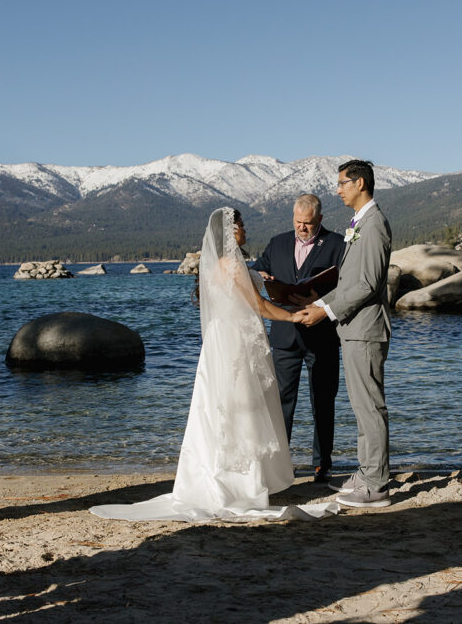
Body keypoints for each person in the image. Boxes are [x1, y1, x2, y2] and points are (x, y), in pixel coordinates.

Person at [90, 208, 338, 521]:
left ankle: (233, 477)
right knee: (239, 407)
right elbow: (257, 305)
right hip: (235, 341)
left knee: (222, 407)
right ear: (230, 231)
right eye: (242, 225)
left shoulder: (225, 263)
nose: (245, 230)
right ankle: (239, 484)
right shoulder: (231, 263)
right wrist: (291, 316)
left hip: (226, 338)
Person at [295, 160, 393, 508]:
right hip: (352, 330)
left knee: (369, 407)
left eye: (342, 184)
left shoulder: (375, 223)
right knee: (360, 406)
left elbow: (365, 285)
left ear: (360, 183)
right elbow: (348, 282)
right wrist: (318, 305)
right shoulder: (359, 222)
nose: (337, 190)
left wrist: (325, 311)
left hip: (365, 329)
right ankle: (367, 473)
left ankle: (377, 484)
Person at [250, 194, 344, 483]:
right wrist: (262, 273)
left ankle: (322, 464)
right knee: (281, 403)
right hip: (285, 335)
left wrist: (321, 299)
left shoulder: (338, 244)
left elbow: (347, 284)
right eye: (298, 222)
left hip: (323, 334)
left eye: (308, 223)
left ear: (320, 220)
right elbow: (257, 269)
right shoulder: (277, 242)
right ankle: (281, 463)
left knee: (323, 401)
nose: (302, 227)